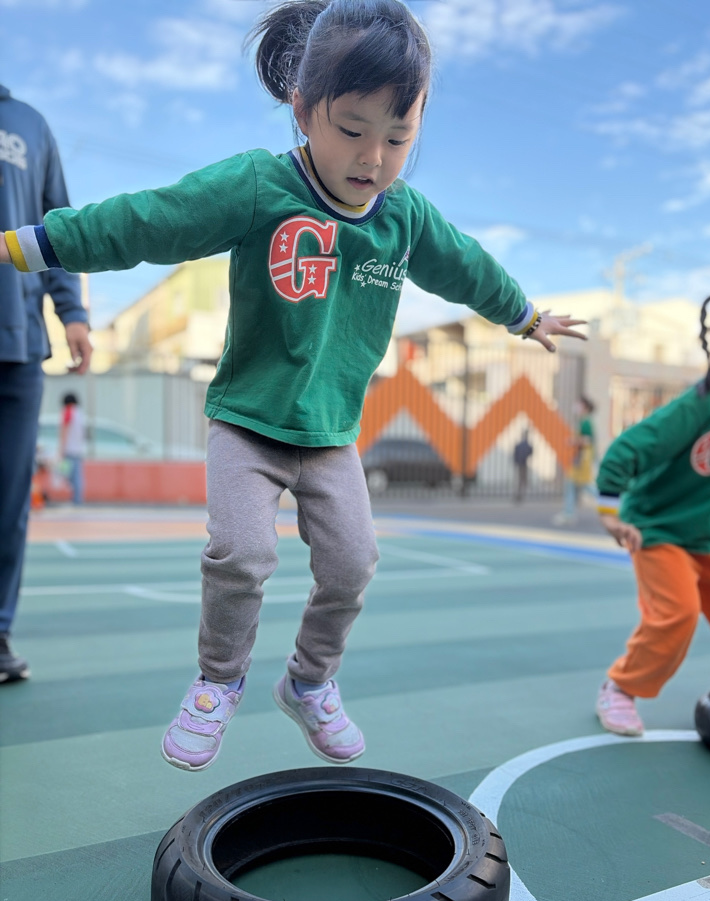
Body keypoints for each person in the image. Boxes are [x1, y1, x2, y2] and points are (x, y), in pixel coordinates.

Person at [0, 0, 586, 768]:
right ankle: (217, 683)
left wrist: (525, 315)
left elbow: (467, 267)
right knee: (241, 554)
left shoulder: (404, 218)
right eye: (352, 129)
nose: (373, 157)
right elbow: (149, 219)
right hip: (248, 421)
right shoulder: (259, 186)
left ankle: (309, 681)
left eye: (398, 137)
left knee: (353, 563)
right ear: (304, 111)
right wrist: (26, 244)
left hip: (331, 435)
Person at [594, 275, 710, 736]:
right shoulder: (698, 406)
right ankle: (620, 687)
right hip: (661, 531)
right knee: (677, 614)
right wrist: (611, 512)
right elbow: (626, 450)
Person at [0, 85, 92, 684]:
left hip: (17, 344)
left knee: (8, 503)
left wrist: (73, 313)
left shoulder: (30, 124)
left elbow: (55, 229)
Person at [553, 395, 596, 525]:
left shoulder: (586, 422)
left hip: (583, 458)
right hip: (581, 457)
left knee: (584, 485)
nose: (576, 407)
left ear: (585, 407)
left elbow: (588, 440)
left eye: (578, 404)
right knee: (574, 484)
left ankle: (569, 513)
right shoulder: (584, 421)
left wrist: (573, 441)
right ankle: (569, 512)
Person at [59, 392, 87, 504]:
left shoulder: (68, 411)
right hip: (78, 449)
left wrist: (61, 449)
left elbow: (64, 431)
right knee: (76, 476)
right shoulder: (80, 413)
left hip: (69, 449)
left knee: (70, 475)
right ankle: (77, 499)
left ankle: (76, 500)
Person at [512, 429, 533, 502]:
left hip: (520, 464)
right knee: (522, 479)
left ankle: (519, 494)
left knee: (521, 479)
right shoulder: (526, 444)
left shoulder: (519, 444)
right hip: (523, 463)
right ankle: (519, 494)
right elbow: (530, 452)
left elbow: (515, 453)